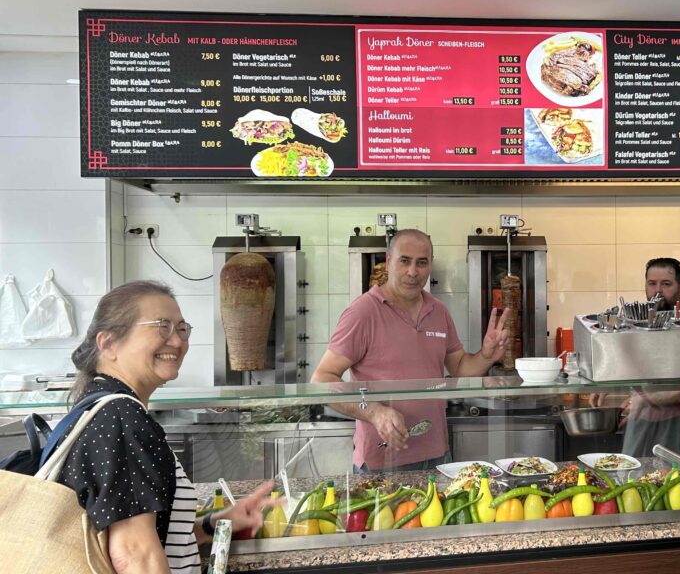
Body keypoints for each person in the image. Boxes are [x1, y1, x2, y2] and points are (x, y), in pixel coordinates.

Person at [54, 281, 277, 574]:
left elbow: (150, 536)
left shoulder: (100, 405)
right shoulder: (122, 418)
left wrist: (215, 523)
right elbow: (134, 555)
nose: (177, 341)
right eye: (162, 327)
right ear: (108, 343)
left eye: (181, 329)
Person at [311, 229, 509, 472]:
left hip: (437, 456)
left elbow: (460, 368)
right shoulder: (363, 312)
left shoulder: (438, 311)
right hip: (382, 462)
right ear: (389, 261)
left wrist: (486, 356)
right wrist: (374, 412)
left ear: (430, 265)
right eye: (404, 261)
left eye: (421, 263)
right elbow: (322, 379)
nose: (413, 272)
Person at [590, 257, 680, 458]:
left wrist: (647, 399)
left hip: (677, 423)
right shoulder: (638, 322)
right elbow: (632, 364)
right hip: (640, 419)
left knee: (672, 475)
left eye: (666, 284)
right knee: (632, 472)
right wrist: (608, 380)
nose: (658, 291)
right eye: (652, 284)